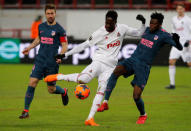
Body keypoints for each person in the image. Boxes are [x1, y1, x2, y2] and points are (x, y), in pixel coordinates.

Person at [44, 10, 146, 126]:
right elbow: (84, 45)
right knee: (83, 80)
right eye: (106, 23)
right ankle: (60, 76)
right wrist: (65, 54)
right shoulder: (99, 32)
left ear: (115, 22)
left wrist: (143, 23)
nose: (107, 25)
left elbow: (139, 33)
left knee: (101, 90)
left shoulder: (122, 29)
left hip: (110, 67)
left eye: (110, 24)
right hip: (98, 62)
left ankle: (90, 119)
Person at [97, 12, 183, 124]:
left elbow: (179, 48)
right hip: (132, 60)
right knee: (116, 71)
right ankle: (106, 102)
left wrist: (176, 41)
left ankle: (143, 114)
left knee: (136, 96)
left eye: (154, 24)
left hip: (143, 66)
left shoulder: (164, 35)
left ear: (160, 24)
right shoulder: (146, 30)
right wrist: (142, 22)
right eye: (150, 23)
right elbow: (137, 31)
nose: (151, 25)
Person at [19, 4, 69, 119]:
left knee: (51, 90)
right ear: (45, 14)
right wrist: (29, 47)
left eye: (52, 13)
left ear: (55, 14)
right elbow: (38, 39)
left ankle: (63, 91)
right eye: (48, 13)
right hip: (40, 60)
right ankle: (26, 111)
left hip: (52, 63)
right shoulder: (41, 26)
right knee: (32, 83)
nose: (50, 15)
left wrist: (61, 55)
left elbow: (65, 44)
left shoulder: (60, 29)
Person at [166, 3, 191, 89]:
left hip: (186, 44)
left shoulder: (188, 20)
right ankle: (172, 84)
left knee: (189, 63)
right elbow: (174, 30)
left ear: (184, 9)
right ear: (176, 10)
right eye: (178, 9)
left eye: (181, 8)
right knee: (171, 62)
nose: (180, 10)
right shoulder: (173, 19)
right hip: (177, 44)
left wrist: (189, 41)